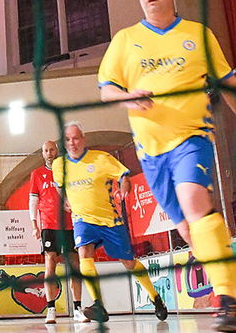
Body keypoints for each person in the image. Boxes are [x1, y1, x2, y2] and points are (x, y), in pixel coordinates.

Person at [97, 0, 236, 331]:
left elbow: (228, 84)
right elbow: (106, 89)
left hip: (192, 137)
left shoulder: (197, 34)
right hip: (151, 153)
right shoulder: (126, 39)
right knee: (190, 232)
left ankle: (226, 299)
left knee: (196, 205)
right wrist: (128, 97)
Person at [50, 123, 168, 324]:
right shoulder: (58, 165)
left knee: (129, 263)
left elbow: (124, 177)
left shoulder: (101, 159)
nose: (72, 143)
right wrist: (65, 200)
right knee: (83, 254)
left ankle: (155, 297)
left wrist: (124, 189)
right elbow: (60, 187)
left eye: (76, 138)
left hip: (110, 220)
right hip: (82, 220)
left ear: (83, 139)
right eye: (68, 139)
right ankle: (98, 304)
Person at [27, 139, 84, 324]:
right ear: (42, 153)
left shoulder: (68, 171)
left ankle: (77, 308)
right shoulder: (37, 174)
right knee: (50, 262)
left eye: (52, 150)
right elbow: (33, 201)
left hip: (69, 225)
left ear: (57, 151)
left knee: (74, 264)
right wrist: (34, 223)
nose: (49, 153)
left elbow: (77, 194)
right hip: (49, 225)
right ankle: (51, 309)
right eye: (46, 150)